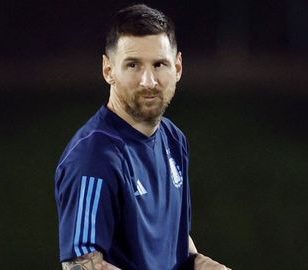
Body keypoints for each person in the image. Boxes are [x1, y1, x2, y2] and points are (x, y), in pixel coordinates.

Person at [55, 4, 230, 270]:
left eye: (159, 64)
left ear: (178, 68)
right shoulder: (93, 157)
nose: (148, 81)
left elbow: (173, 239)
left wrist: (205, 265)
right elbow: (79, 265)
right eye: (133, 65)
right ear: (108, 70)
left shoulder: (173, 138)